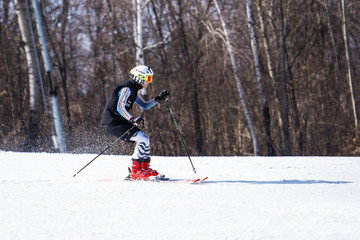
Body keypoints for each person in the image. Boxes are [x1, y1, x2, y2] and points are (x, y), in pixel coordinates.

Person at [101, 65, 169, 180]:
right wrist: (133, 119)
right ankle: (136, 171)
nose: (149, 82)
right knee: (142, 138)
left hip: (121, 121)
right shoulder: (126, 89)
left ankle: (144, 169)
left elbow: (145, 105)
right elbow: (120, 108)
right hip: (112, 123)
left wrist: (158, 99)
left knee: (145, 139)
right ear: (140, 78)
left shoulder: (134, 90)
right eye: (148, 79)